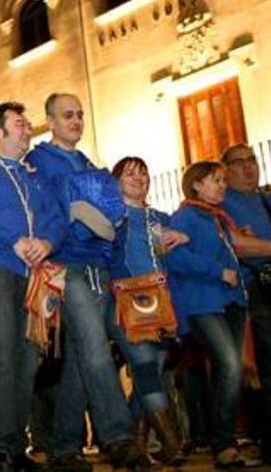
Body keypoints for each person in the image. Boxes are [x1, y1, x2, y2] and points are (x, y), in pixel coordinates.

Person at [24, 93, 139, 471]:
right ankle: (118, 436)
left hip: (99, 266)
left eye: (79, 115)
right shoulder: (39, 160)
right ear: (51, 122)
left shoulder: (88, 162)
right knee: (94, 346)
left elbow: (109, 214)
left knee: (79, 357)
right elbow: (56, 211)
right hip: (65, 264)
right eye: (67, 115)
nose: (75, 120)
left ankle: (64, 447)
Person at [0, 102, 66, 472]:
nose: (28, 130)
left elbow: (56, 217)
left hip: (33, 274)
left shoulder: (33, 174)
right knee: (1, 348)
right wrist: (16, 239)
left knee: (28, 356)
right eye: (19, 124)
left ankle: (17, 446)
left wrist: (48, 243)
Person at [165, 161, 261, 468]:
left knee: (227, 371)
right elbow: (175, 257)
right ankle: (223, 442)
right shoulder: (184, 216)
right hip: (201, 302)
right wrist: (217, 271)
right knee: (230, 365)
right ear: (196, 185)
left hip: (230, 302)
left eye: (222, 180)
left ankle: (224, 441)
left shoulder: (219, 218)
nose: (222, 185)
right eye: (215, 180)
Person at [107, 156, 189, 467]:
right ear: (116, 182)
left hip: (161, 304)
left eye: (143, 173)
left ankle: (137, 448)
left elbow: (172, 256)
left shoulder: (161, 217)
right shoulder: (114, 217)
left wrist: (182, 237)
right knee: (143, 366)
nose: (139, 178)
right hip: (127, 300)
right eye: (130, 173)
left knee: (151, 372)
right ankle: (171, 442)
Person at [222, 143, 271, 464]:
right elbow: (237, 246)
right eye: (238, 162)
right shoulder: (223, 203)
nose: (248, 166)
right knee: (262, 367)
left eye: (251, 159)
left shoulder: (266, 199)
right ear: (224, 171)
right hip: (252, 293)